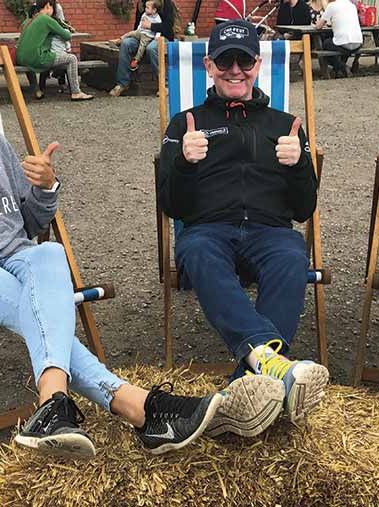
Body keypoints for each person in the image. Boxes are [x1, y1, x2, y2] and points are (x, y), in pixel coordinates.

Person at [0, 34, 221, 460]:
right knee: (38, 302)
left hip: (15, 255)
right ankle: (139, 406)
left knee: (51, 253)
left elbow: (29, 223)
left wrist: (44, 187)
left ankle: (54, 405)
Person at [158, 20, 329, 438]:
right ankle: (272, 366)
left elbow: (304, 210)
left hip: (270, 232)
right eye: (225, 60)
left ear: (258, 63)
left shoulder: (284, 124)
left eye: (245, 60)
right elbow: (171, 206)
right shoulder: (186, 124)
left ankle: (248, 382)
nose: (235, 69)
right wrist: (182, 161)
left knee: (292, 253)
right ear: (209, 66)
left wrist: (301, 164)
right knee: (195, 251)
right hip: (208, 231)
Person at [16, 0, 93, 101]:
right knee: (72, 58)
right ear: (48, 5)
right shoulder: (46, 19)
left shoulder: (28, 20)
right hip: (37, 58)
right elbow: (67, 36)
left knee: (31, 56)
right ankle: (76, 92)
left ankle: (36, 89)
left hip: (20, 58)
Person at [109, 0, 176, 97]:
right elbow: (137, 25)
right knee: (126, 43)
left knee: (151, 48)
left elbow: (168, 27)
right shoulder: (141, 4)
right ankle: (122, 84)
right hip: (143, 35)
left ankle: (164, 85)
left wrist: (151, 26)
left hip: (161, 36)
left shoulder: (166, 3)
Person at [313, 0, 361, 78]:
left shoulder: (332, 6)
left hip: (343, 43)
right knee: (339, 46)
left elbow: (318, 26)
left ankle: (341, 67)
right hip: (358, 43)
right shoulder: (352, 6)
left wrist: (316, 24)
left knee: (324, 45)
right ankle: (339, 70)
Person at [113, 0, 161, 72]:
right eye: (145, 7)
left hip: (148, 35)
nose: (145, 9)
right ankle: (119, 40)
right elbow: (140, 23)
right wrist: (138, 30)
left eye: (147, 8)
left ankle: (136, 60)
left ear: (154, 10)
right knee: (130, 34)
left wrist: (157, 36)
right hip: (140, 32)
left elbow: (159, 29)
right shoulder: (144, 14)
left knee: (142, 47)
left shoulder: (157, 18)